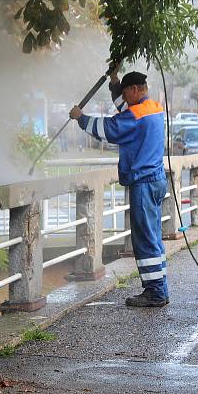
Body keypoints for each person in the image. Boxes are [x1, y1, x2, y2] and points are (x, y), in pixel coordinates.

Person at [69, 70, 170, 307]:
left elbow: (109, 129)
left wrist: (80, 117)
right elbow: (125, 109)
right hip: (156, 179)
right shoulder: (153, 108)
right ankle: (159, 287)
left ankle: (155, 292)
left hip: (143, 183)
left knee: (144, 239)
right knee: (153, 237)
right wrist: (115, 82)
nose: (123, 98)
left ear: (135, 90)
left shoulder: (134, 116)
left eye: (125, 91)